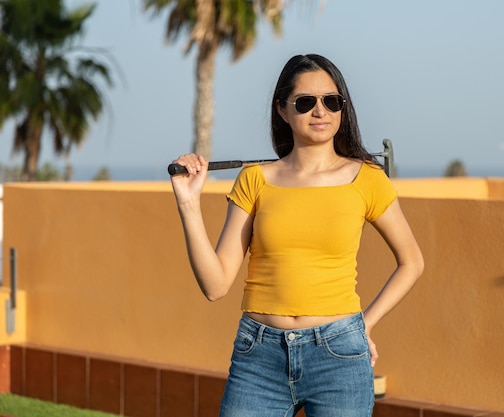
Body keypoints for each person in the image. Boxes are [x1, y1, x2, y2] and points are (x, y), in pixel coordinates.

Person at [170, 54, 424, 417]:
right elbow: (215, 285)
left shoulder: (367, 179)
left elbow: (412, 262)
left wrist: (362, 325)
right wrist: (189, 204)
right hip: (258, 356)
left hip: (340, 356)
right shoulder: (255, 179)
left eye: (331, 101)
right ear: (282, 110)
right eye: (305, 103)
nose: (320, 111)